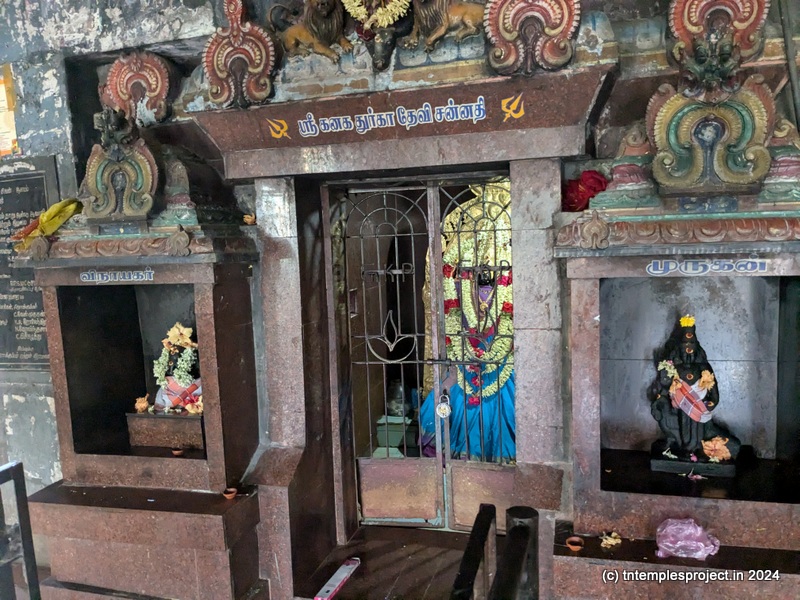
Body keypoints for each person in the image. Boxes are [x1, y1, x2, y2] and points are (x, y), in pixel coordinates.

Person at [418, 181, 515, 463]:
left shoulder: (510, 278)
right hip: (465, 349)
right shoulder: (459, 278)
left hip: (503, 351)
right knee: (457, 393)